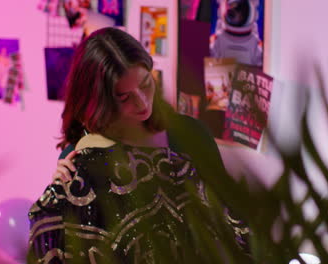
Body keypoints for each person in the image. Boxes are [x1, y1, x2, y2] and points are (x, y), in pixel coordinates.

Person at [27, 27, 249, 263]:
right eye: (124, 97)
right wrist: (59, 195)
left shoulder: (190, 136)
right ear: (100, 102)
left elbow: (230, 221)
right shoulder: (79, 156)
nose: (142, 102)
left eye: (145, 84)